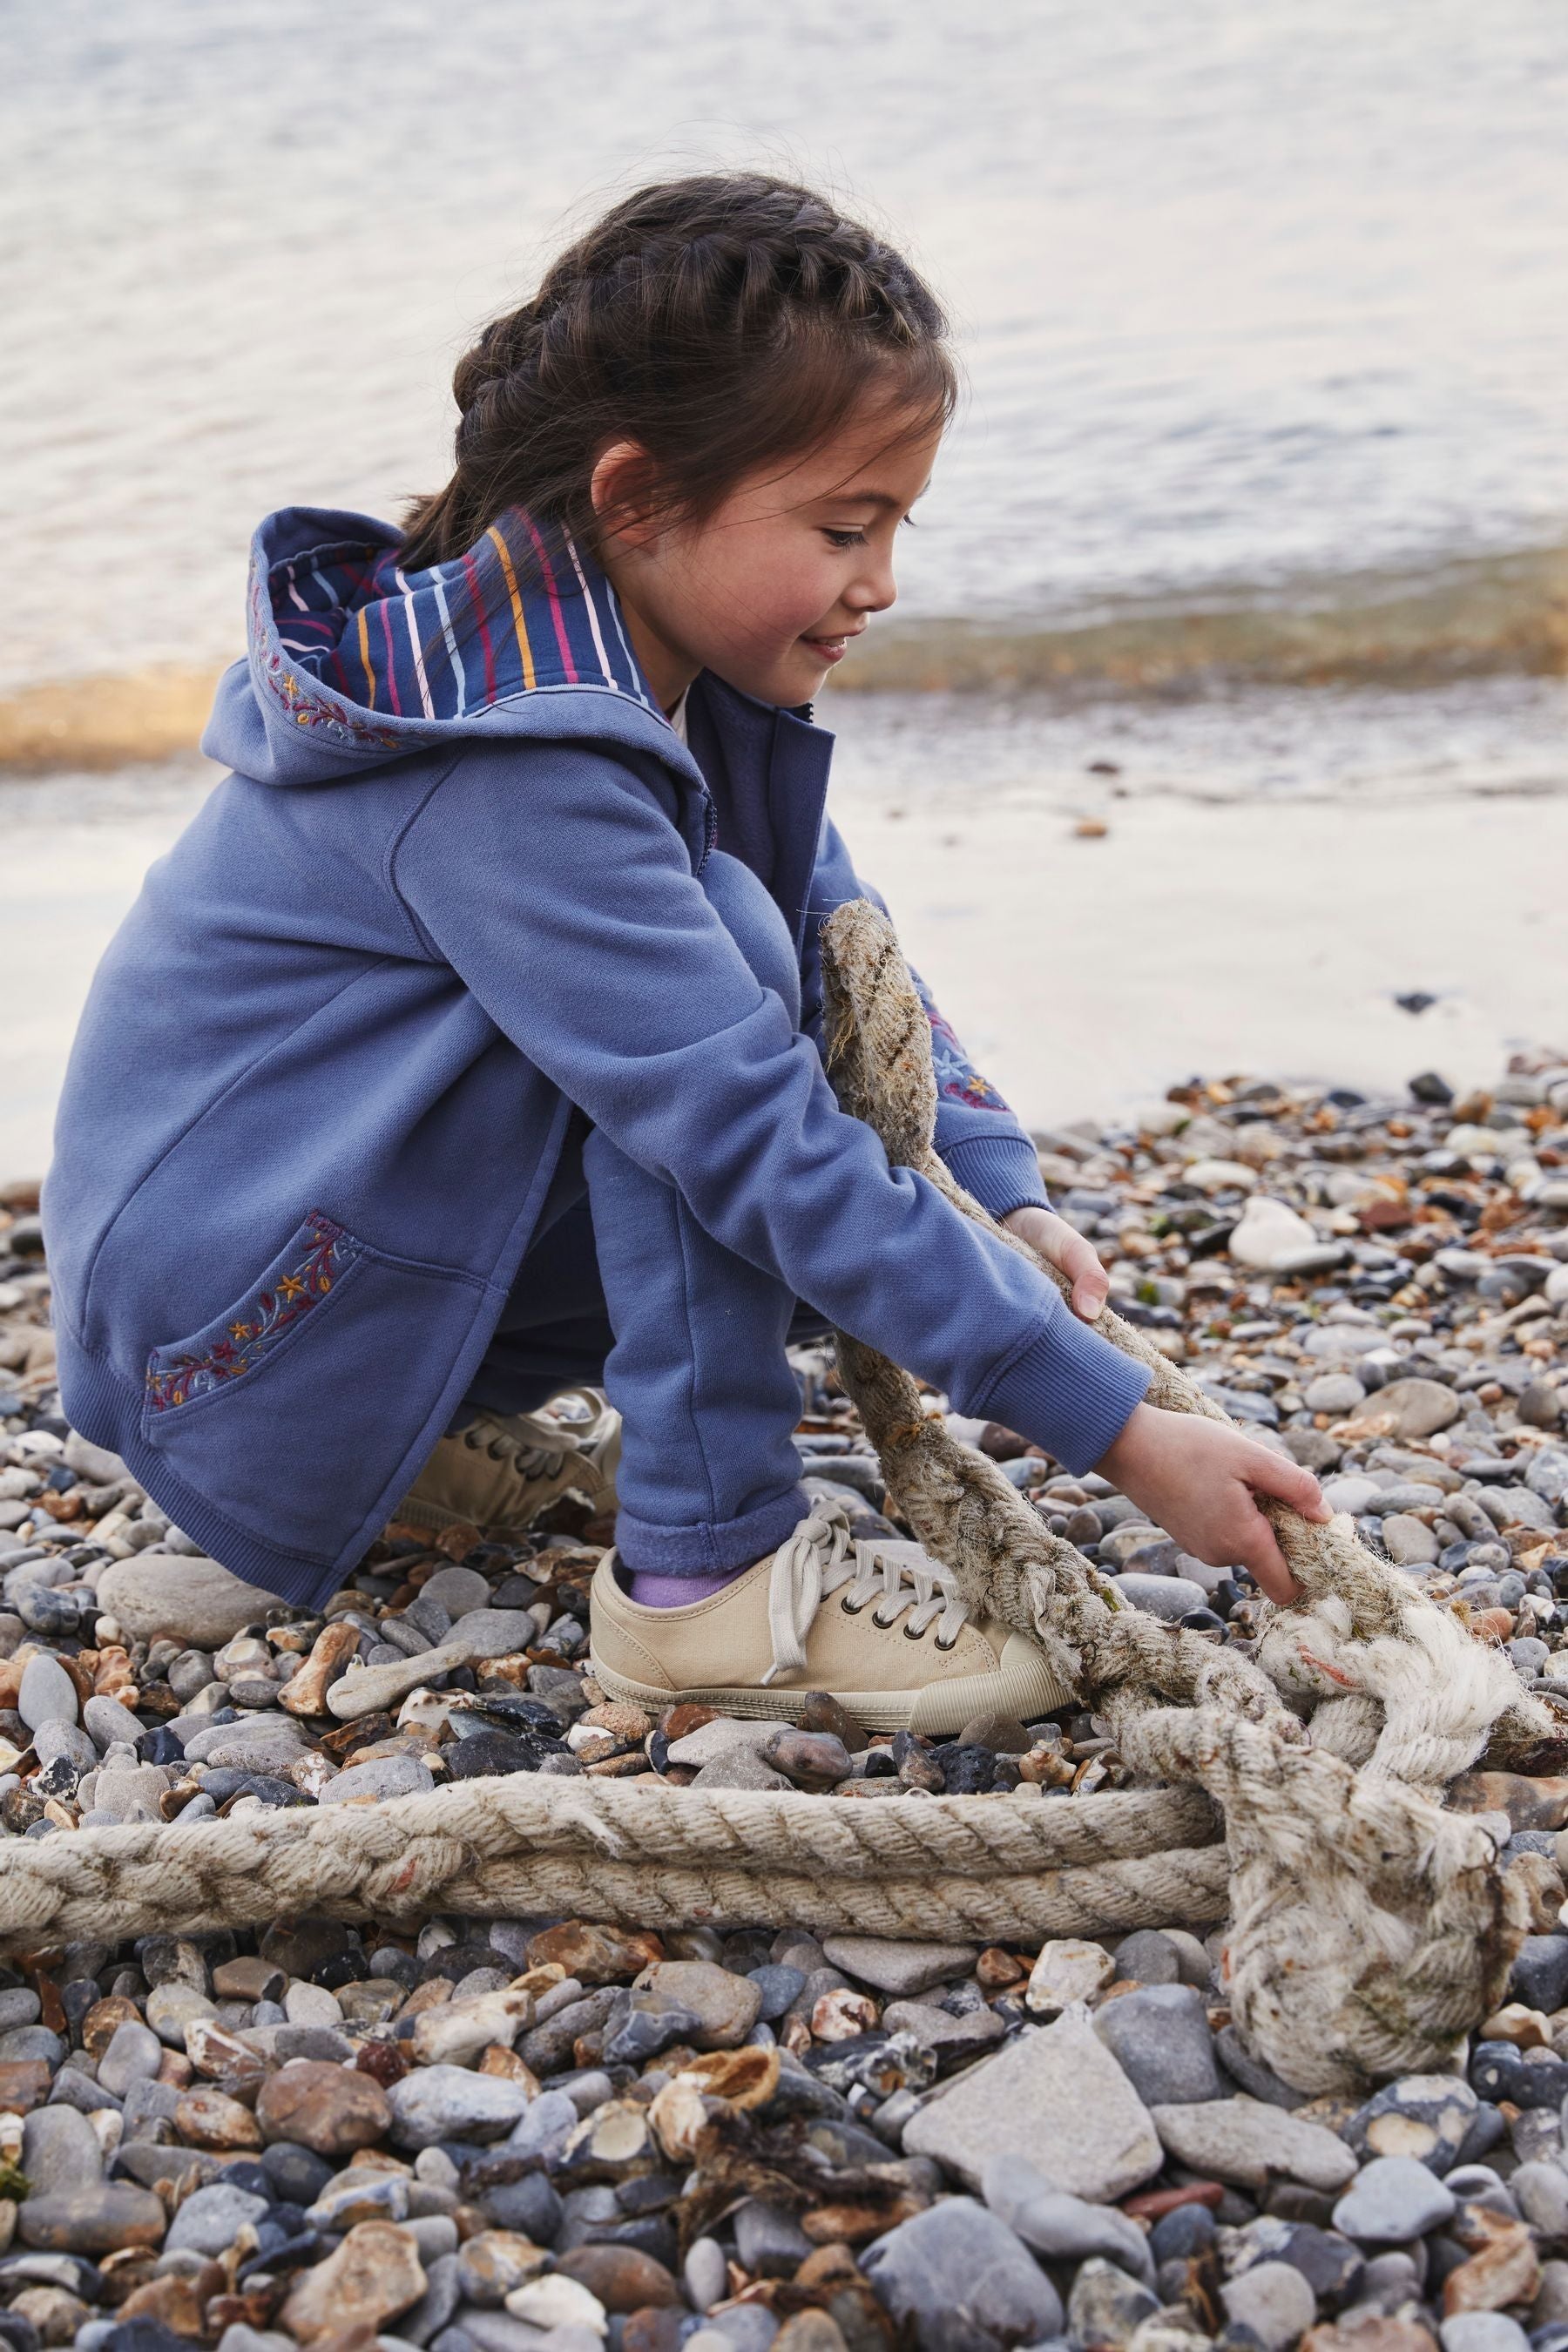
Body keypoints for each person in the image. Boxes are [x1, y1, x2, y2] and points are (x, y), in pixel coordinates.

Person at [41, 172, 1326, 1733]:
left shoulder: (647, 659)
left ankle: (417, 1434)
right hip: (226, 1339)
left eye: (899, 526)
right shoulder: (515, 769)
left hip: (282, 1286)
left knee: (752, 985)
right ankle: (703, 1586)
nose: (884, 580)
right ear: (639, 497)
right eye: (847, 527)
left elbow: (849, 952)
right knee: (722, 1039)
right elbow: (743, 1124)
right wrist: (1115, 1429)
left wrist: (999, 1190)